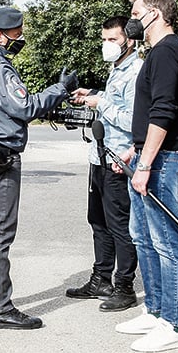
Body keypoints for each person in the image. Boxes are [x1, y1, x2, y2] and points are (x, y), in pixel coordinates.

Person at [0, 7, 77, 329]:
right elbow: (23, 107)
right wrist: (59, 89)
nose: (19, 39)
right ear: (0, 34)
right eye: (17, 34)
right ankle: (1, 308)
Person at [114, 0, 178, 352]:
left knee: (166, 241)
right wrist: (136, 152)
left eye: (136, 12)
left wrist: (146, 163)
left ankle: (172, 325)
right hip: (150, 156)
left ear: (154, 13)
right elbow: (150, 114)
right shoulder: (161, 53)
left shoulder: (167, 52)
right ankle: (155, 309)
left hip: (168, 159)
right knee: (143, 237)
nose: (132, 19)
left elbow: (163, 112)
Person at [66, 16, 140, 312]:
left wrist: (102, 104)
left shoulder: (135, 71)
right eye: (104, 39)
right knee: (97, 220)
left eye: (113, 39)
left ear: (129, 40)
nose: (106, 45)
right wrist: (93, 95)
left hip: (119, 160)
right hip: (99, 156)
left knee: (119, 225)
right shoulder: (117, 69)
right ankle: (101, 279)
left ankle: (124, 286)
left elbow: (134, 120)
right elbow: (115, 103)